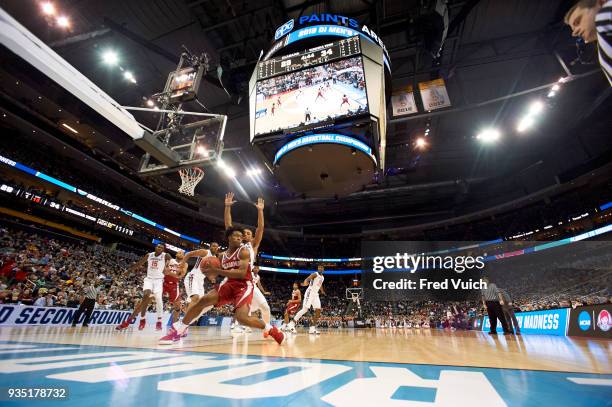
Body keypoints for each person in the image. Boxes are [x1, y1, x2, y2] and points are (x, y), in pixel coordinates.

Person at [158, 227, 284, 345]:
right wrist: (211, 273)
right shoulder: (221, 256)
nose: (239, 238)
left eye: (241, 236)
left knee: (242, 318)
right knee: (203, 300)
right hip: (229, 283)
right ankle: (178, 331)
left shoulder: (244, 251)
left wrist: (216, 271)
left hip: (244, 285)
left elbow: (240, 273)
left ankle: (270, 329)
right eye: (236, 236)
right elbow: (216, 272)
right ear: (229, 238)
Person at [224, 193, 272, 336]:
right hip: (234, 278)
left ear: (252, 237)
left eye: (247, 233)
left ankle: (267, 330)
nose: (244, 234)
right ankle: (236, 325)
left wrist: (260, 210)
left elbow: (261, 228)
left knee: (265, 308)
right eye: (243, 233)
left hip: (248, 280)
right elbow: (228, 226)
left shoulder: (253, 246)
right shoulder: (236, 244)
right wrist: (227, 207)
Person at [116, 243, 171, 331]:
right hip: (149, 279)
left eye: (161, 247)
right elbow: (139, 263)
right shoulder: (149, 255)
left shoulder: (165, 255)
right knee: (145, 296)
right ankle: (142, 320)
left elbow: (172, 262)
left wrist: (169, 267)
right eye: (158, 246)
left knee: (157, 299)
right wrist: (129, 270)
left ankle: (159, 321)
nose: (159, 248)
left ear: (163, 249)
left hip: (158, 281)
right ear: (155, 247)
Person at [564, 0, 612, 85]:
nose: (575, 33)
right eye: (573, 29)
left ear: (601, 2)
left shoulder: (602, 18)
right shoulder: (601, 48)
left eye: (578, 22)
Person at [287, 265, 326, 334]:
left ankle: (312, 328)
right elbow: (307, 279)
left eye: (321, 267)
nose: (320, 268)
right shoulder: (315, 274)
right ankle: (291, 324)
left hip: (315, 294)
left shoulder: (322, 277)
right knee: (305, 309)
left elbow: (320, 285)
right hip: (310, 292)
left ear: (323, 269)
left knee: (318, 310)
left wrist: (322, 291)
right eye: (319, 267)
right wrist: (305, 283)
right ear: (318, 268)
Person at [163, 251, 188, 324]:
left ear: (184, 256)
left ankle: (174, 325)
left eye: (182, 253)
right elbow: (164, 271)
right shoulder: (170, 260)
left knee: (177, 306)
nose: (180, 254)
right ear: (176, 254)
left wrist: (169, 273)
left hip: (174, 284)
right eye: (179, 252)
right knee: (152, 297)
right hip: (163, 282)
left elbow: (180, 276)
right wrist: (173, 274)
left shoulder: (185, 264)